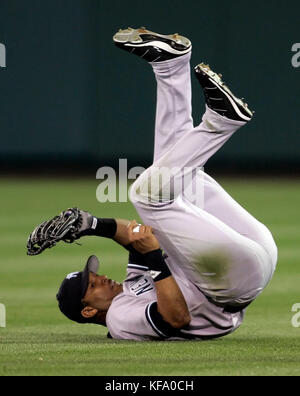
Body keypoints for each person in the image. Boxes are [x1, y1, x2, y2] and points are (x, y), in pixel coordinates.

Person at [55, 27, 278, 341]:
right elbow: (175, 317)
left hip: (243, 256)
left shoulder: (131, 288)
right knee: (145, 195)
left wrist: (91, 224)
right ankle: (220, 123)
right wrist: (156, 259)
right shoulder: (119, 319)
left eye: (94, 274)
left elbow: (137, 237)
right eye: (91, 286)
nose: (101, 278)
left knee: (175, 177)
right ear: (89, 311)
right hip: (227, 285)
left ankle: (170, 66)